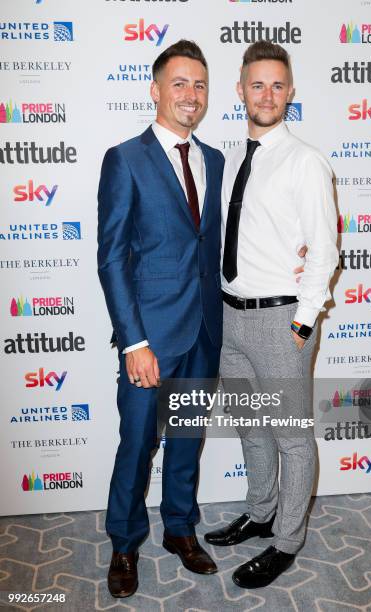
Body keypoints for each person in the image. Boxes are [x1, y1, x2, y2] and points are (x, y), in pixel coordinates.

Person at [204, 41, 338, 589]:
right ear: (240, 91)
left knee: (289, 435)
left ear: (291, 92)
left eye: (277, 85)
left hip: (282, 320)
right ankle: (260, 513)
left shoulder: (306, 161)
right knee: (251, 429)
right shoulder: (229, 157)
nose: (267, 94)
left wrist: (302, 323)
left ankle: (287, 541)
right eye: (256, 84)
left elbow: (324, 250)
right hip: (229, 317)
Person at [97, 40, 224, 598]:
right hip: (150, 335)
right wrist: (134, 341)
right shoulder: (125, 158)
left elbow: (212, 244)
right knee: (137, 444)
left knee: (188, 438)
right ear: (155, 90)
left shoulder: (214, 160)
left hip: (203, 331)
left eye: (198, 84)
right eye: (179, 83)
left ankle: (179, 530)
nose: (190, 95)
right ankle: (124, 542)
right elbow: (112, 256)